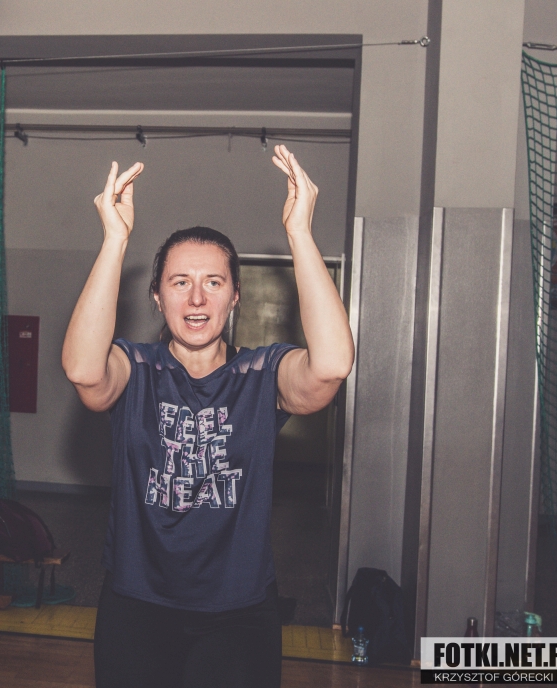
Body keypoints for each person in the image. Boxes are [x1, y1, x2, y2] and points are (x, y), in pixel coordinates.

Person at [62, 146, 354, 687]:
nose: (196, 298)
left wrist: (300, 233)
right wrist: (114, 240)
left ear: (235, 296)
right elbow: (83, 371)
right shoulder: (134, 368)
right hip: (137, 606)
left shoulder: (261, 374)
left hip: (238, 615)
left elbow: (333, 365)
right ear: (157, 296)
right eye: (179, 282)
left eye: (214, 282)